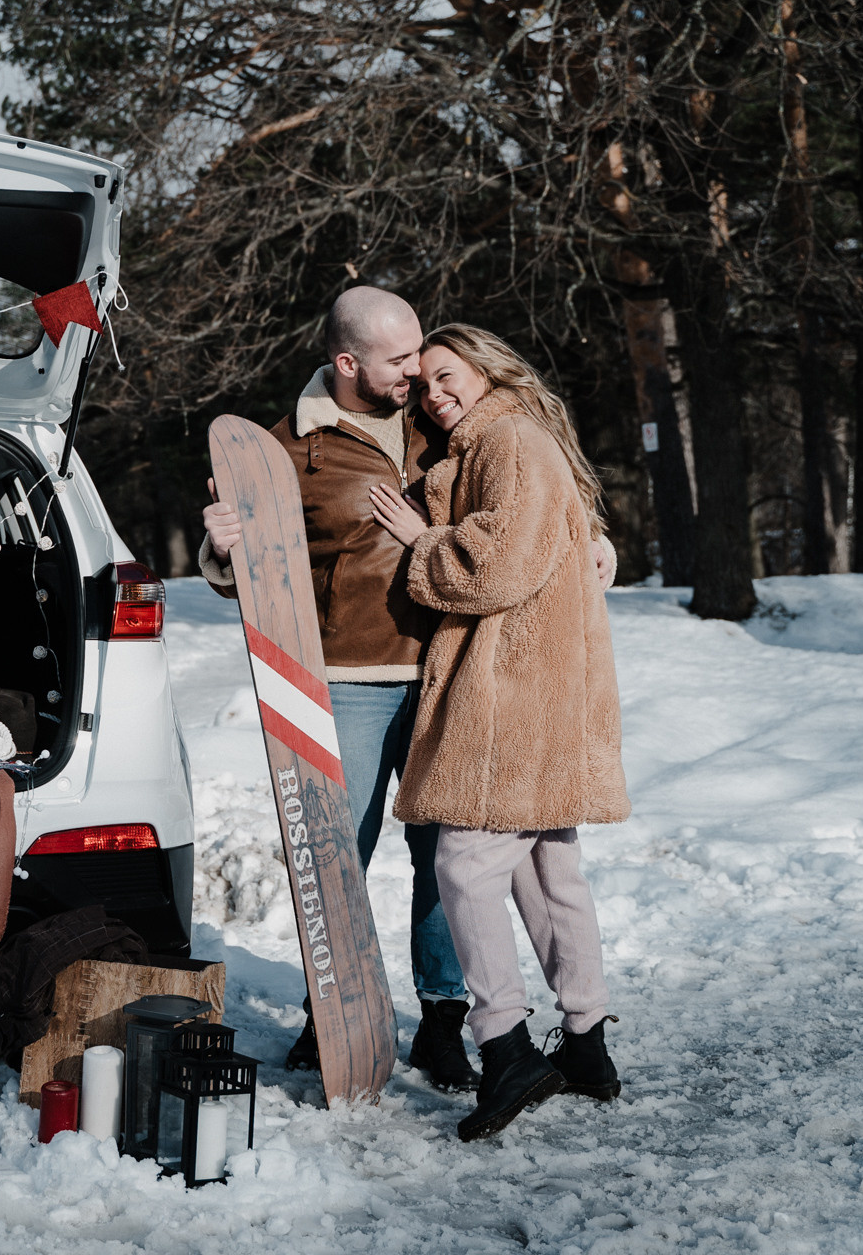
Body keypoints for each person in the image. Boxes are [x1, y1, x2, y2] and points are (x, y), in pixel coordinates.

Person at [201, 288, 610, 1092]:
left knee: (444, 864)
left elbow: (521, 496)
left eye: (422, 354)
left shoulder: (441, 417)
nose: (419, 372)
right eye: (398, 360)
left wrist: (595, 536)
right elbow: (248, 576)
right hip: (346, 683)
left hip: (451, 675)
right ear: (346, 362)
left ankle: (444, 1022)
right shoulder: (289, 448)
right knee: (337, 859)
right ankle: (336, 1014)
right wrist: (221, 554)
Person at [367, 322, 632, 1143]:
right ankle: (586, 1044)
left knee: (466, 863)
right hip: (548, 687)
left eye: (449, 377)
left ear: (484, 370)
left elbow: (498, 568)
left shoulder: (508, 440)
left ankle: (506, 1046)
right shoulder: (511, 438)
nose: (436, 394)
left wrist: (424, 540)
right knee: (549, 873)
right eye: (425, 385)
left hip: (513, 694)